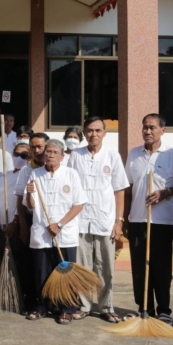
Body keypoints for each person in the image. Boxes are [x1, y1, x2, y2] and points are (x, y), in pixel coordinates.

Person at [68, 117, 128, 323]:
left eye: (98, 130)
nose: (94, 134)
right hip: (80, 220)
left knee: (105, 267)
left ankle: (106, 306)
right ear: (84, 133)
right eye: (90, 131)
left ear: (104, 133)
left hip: (105, 220)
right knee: (82, 266)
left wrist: (119, 220)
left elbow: (119, 190)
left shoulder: (112, 156)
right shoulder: (75, 156)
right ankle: (84, 304)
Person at [124, 113, 173, 325]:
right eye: (145, 127)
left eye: (152, 128)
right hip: (138, 219)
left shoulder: (172, 154)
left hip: (162, 221)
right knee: (139, 267)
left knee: (161, 266)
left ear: (162, 130)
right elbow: (128, 188)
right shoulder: (134, 154)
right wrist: (125, 218)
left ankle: (164, 309)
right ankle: (144, 307)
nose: (148, 131)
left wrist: (164, 193)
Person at [25, 139, 86, 324]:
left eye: (54, 152)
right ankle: (42, 306)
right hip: (41, 234)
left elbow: (79, 204)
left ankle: (66, 308)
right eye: (48, 152)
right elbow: (30, 206)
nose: (50, 155)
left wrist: (59, 224)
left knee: (65, 273)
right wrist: (29, 194)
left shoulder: (71, 174)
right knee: (41, 272)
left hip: (64, 234)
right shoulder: (35, 174)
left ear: (61, 155)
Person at [14, 132, 47, 311]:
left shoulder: (56, 167)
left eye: (40, 146)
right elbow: (19, 200)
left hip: (51, 221)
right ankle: (32, 300)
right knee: (29, 263)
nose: (37, 150)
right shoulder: (27, 170)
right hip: (30, 218)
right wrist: (23, 227)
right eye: (33, 147)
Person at [0, 142, 28, 287]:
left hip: (14, 224)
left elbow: (23, 201)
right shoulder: (5, 176)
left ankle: (16, 288)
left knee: (15, 258)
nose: (19, 157)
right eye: (16, 154)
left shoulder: (28, 174)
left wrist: (15, 221)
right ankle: (1, 287)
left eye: (23, 155)